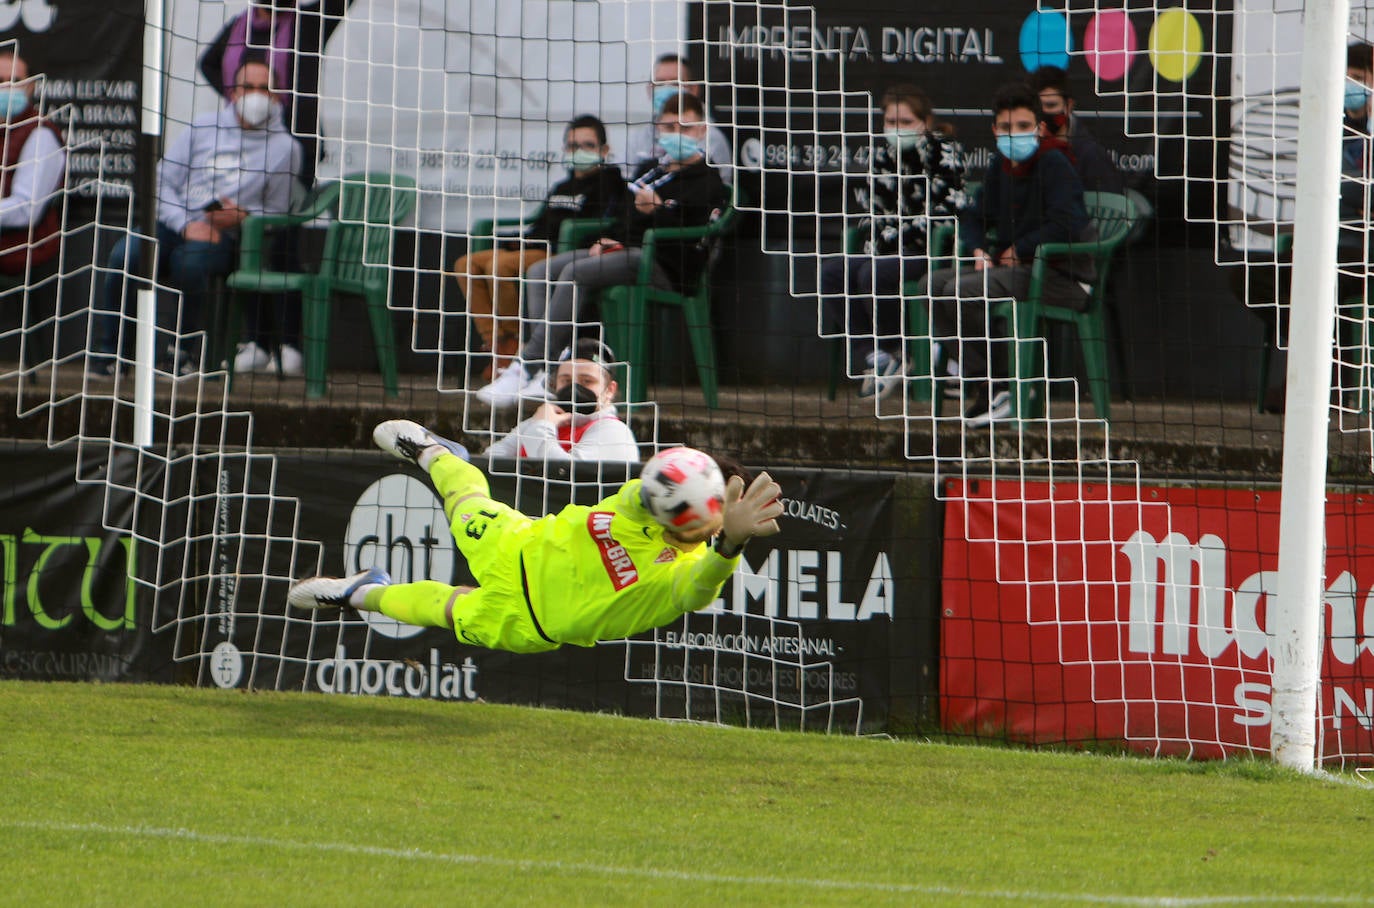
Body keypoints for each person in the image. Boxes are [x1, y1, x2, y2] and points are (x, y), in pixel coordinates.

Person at [287, 420, 783, 653]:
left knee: (445, 607)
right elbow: (645, 495)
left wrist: (729, 546)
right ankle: (433, 451)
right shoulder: (640, 506)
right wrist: (671, 477)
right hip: (517, 544)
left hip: (531, 623)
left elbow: (699, 592)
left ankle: (361, 591)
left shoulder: (682, 573)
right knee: (464, 504)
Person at [477, 92, 728, 408]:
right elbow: (624, 216)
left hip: (665, 266)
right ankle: (550, 374)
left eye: (685, 128)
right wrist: (610, 238)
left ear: (702, 131)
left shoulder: (708, 181)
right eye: (668, 127)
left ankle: (529, 363)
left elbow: (696, 239)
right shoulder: (651, 170)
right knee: (540, 270)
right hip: (627, 253)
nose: (676, 135)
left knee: (575, 272)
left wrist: (658, 211)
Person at [91, 53, 301, 376]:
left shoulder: (286, 148)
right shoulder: (203, 126)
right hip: (175, 224)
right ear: (233, 92)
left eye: (265, 89)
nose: (256, 96)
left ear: (277, 96)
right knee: (125, 257)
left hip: (227, 238)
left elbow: (277, 210)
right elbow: (160, 182)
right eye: (248, 87)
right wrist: (185, 224)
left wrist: (244, 215)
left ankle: (184, 353)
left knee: (191, 263)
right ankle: (112, 355)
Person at [919, 81, 1093, 426]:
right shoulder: (1001, 165)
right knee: (932, 284)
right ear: (995, 129)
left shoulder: (1056, 163)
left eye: (1024, 127)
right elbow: (973, 215)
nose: (1015, 135)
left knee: (962, 290)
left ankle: (1002, 385)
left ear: (1040, 128)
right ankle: (990, 384)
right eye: (1007, 128)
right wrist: (979, 247)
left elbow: (1070, 224)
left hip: (1061, 278)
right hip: (1010, 272)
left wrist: (1022, 248)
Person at [820, 83, 968, 399]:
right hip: (891, 249)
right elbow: (874, 215)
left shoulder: (945, 153)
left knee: (875, 273)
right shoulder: (881, 157)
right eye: (890, 122)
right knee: (834, 271)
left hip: (933, 253)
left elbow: (943, 218)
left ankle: (897, 351)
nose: (896, 129)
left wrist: (893, 237)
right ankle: (877, 357)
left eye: (905, 122)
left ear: (926, 123)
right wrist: (886, 239)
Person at [454, 116, 628, 381]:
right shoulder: (562, 186)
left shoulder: (611, 184)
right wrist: (517, 240)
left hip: (561, 252)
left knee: (499, 266)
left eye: (587, 145)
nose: (578, 152)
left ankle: (515, 342)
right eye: (572, 146)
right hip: (535, 246)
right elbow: (540, 224)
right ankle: (498, 342)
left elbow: (600, 226)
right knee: (466, 264)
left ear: (604, 150)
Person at [199, 0, 356, 188]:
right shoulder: (239, 26)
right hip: (245, 143)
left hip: (296, 141)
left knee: (279, 210)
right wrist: (241, 99)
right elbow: (208, 64)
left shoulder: (309, 22)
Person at [484, 339, 641, 463]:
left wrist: (541, 426)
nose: (574, 389)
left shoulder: (614, 431)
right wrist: (542, 424)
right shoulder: (543, 419)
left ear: (610, 390)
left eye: (587, 381)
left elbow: (565, 476)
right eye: (566, 381)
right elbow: (491, 458)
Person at [622, 53, 734, 186]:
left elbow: (718, 189)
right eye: (660, 83)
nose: (667, 89)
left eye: (675, 83)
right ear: (649, 90)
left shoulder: (712, 138)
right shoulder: (639, 136)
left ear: (693, 89)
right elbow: (625, 180)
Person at [0, 50, 65, 278]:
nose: (6, 88)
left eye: (15, 81)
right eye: (0, 81)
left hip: (21, 265)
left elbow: (27, 208)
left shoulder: (40, 135)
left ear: (30, 88)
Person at [1028, 66, 1124, 194]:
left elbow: (1110, 206)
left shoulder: (1091, 156)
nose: (1044, 112)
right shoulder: (1025, 150)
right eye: (1037, 106)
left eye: (1051, 105)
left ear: (1068, 106)